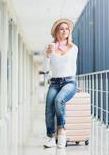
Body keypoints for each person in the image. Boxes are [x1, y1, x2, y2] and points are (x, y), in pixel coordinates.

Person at [43, 19, 78, 148]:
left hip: (69, 82)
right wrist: (47, 55)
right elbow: (46, 69)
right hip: (54, 82)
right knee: (48, 107)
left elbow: (70, 67)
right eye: (61, 29)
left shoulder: (73, 48)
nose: (64, 31)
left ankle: (61, 131)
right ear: (56, 32)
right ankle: (51, 137)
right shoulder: (50, 47)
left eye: (67, 29)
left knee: (58, 100)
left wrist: (60, 48)